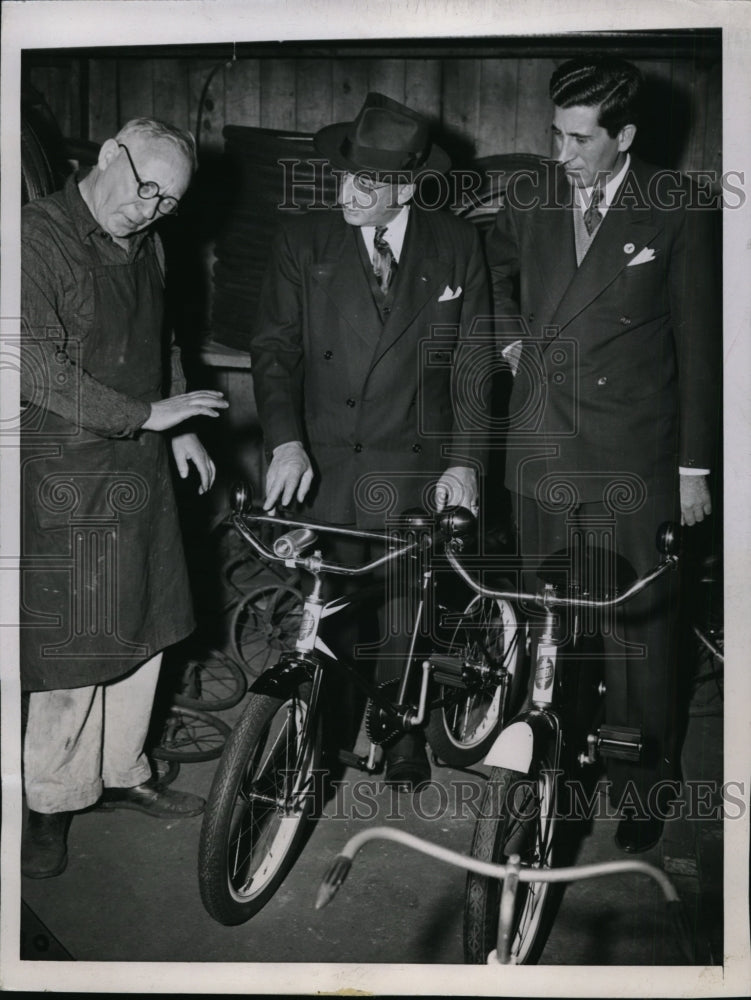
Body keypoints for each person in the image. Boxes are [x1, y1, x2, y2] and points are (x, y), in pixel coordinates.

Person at [488, 56, 720, 852]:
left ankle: (640, 779)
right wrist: (511, 339)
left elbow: (700, 346)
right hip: (541, 448)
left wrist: (692, 468)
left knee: (636, 632)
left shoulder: (677, 205)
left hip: (634, 456)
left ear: (623, 135)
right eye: (555, 135)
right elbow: (492, 275)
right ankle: (553, 770)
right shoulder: (532, 195)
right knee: (553, 627)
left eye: (580, 139)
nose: (562, 154)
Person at [250, 92, 490, 790]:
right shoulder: (303, 241)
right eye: (344, 176)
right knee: (329, 607)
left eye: (367, 183)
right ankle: (318, 740)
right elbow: (275, 351)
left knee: (408, 607)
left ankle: (402, 726)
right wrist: (285, 441)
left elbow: (473, 362)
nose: (346, 194)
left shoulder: (456, 244)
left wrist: (466, 463)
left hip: (414, 461)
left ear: (407, 188)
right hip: (327, 458)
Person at [20, 117, 228, 879]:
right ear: (109, 154)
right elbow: (29, 364)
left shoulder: (151, 244)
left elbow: (162, 340)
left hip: (141, 463)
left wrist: (180, 429)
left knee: (147, 623)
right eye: (143, 188)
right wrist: (147, 416)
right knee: (76, 646)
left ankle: (122, 771)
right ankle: (49, 800)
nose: (147, 210)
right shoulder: (35, 238)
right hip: (66, 474)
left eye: (167, 202)